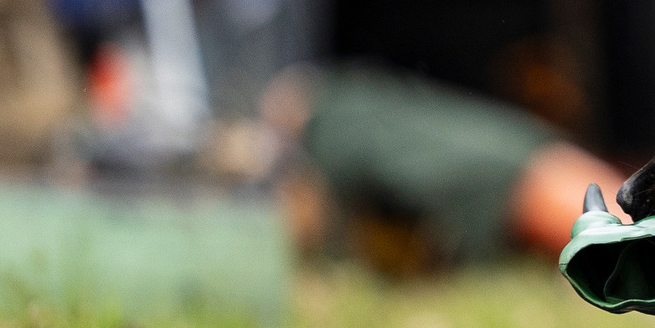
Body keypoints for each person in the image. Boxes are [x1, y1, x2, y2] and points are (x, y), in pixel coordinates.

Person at [260, 65, 627, 277]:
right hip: (522, 168)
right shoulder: (354, 110)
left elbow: (305, 221)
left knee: (630, 242)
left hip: (520, 180)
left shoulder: (338, 123)